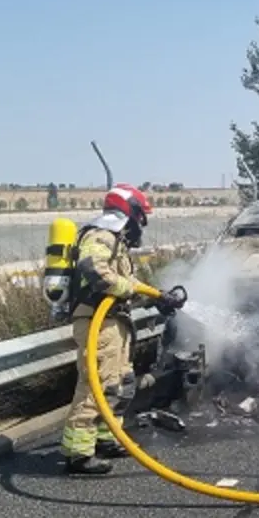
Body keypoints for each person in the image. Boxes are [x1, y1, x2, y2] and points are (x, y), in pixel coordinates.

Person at [59, 183, 186, 475]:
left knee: (119, 383)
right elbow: (95, 272)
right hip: (98, 324)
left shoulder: (116, 242)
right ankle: (77, 453)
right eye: (140, 215)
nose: (142, 223)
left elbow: (126, 286)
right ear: (128, 211)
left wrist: (159, 298)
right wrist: (131, 288)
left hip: (115, 322)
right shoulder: (99, 236)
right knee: (97, 384)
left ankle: (105, 439)